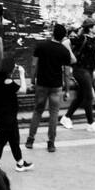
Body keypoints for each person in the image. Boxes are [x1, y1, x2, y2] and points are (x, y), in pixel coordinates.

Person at [26, 23, 75, 154]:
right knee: (54, 114)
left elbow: (33, 65)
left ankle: (30, 139)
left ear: (53, 33)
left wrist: (32, 81)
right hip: (56, 86)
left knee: (37, 111)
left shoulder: (41, 46)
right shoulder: (64, 51)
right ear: (63, 37)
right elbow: (67, 72)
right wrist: (67, 91)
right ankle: (51, 143)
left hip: (41, 84)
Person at [0, 52, 33, 172]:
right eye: (13, 66)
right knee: (2, 139)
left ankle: (19, 162)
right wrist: (22, 74)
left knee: (14, 138)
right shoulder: (7, 81)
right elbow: (23, 90)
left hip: (1, 113)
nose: (14, 68)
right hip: (7, 115)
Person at [62, 19, 95, 133]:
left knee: (81, 96)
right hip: (80, 70)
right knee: (88, 96)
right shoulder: (82, 38)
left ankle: (66, 117)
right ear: (90, 28)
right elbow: (65, 43)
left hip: (89, 71)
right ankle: (90, 123)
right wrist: (72, 58)